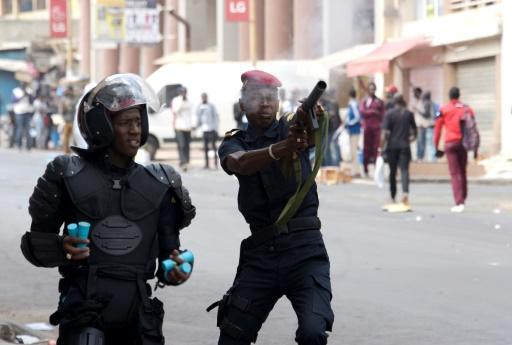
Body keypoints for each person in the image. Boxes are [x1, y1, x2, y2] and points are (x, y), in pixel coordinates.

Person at [20, 73, 196, 345]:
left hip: (138, 313)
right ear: (101, 126)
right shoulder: (66, 174)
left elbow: (167, 258)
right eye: (125, 123)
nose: (135, 130)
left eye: (138, 121)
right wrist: (61, 247)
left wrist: (176, 271)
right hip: (84, 308)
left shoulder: (161, 181)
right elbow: (34, 245)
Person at [210, 70, 334, 345]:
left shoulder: (291, 127)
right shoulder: (235, 141)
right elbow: (239, 163)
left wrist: (313, 114)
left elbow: (309, 131)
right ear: (243, 104)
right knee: (232, 335)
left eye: (271, 97)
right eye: (257, 97)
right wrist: (279, 149)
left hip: (305, 251)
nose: (265, 103)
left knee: (313, 332)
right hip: (262, 255)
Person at [434, 86, 474, 213]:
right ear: (459, 95)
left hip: (450, 143)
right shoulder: (465, 108)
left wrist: (436, 146)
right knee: (463, 171)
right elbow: (472, 124)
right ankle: (464, 197)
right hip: (463, 143)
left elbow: (437, 128)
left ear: (449, 96)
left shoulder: (443, 109)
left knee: (454, 173)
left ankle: (459, 201)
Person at [380, 94, 417, 206]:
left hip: (392, 146)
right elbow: (415, 132)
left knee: (392, 171)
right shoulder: (408, 114)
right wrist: (410, 139)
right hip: (405, 146)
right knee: (404, 170)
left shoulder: (389, 114)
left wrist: (380, 148)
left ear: (394, 102)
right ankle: (405, 193)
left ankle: (393, 195)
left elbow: (384, 133)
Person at [359, 82, 385, 176]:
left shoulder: (379, 102)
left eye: (373, 89)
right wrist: (373, 112)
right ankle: (365, 169)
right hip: (367, 128)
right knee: (366, 148)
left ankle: (375, 169)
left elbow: (382, 114)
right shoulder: (365, 101)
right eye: (370, 89)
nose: (372, 90)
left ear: (375, 90)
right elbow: (362, 112)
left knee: (376, 148)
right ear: (368, 90)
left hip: (376, 128)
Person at [173, 87, 194, 171]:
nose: (184, 94)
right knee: (181, 145)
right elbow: (175, 110)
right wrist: (181, 101)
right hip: (179, 126)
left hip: (187, 127)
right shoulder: (176, 100)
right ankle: (183, 162)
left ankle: (187, 161)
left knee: (187, 145)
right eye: (183, 92)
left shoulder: (189, 101)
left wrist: (192, 124)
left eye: (185, 92)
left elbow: (191, 113)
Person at [196, 92, 220, 169]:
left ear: (207, 97)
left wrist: (216, 128)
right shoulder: (200, 106)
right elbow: (198, 117)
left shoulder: (211, 105)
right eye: (202, 97)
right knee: (205, 148)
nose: (204, 98)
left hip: (211, 129)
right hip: (204, 129)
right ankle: (207, 164)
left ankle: (216, 163)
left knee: (213, 147)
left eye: (205, 97)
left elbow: (216, 117)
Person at [321, 90, 342, 167]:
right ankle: (325, 166)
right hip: (322, 131)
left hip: (329, 130)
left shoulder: (330, 103)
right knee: (324, 150)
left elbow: (332, 115)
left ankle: (329, 166)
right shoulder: (320, 103)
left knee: (328, 149)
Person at [345, 88, 362, 177]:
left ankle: (356, 171)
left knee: (354, 151)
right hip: (352, 130)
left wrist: (350, 123)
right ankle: (355, 170)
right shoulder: (352, 104)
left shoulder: (353, 104)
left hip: (355, 130)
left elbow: (358, 117)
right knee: (353, 151)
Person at [12, 85, 34, 150]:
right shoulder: (16, 91)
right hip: (19, 112)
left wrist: (29, 95)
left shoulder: (29, 90)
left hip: (27, 112)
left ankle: (29, 146)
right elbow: (14, 100)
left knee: (28, 129)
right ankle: (19, 145)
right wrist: (21, 96)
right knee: (20, 129)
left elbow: (32, 101)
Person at [59, 86, 78, 154]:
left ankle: (73, 150)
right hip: (66, 120)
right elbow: (61, 110)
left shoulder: (75, 99)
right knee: (65, 137)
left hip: (73, 120)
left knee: (74, 136)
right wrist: (63, 119)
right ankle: (66, 150)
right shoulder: (63, 99)